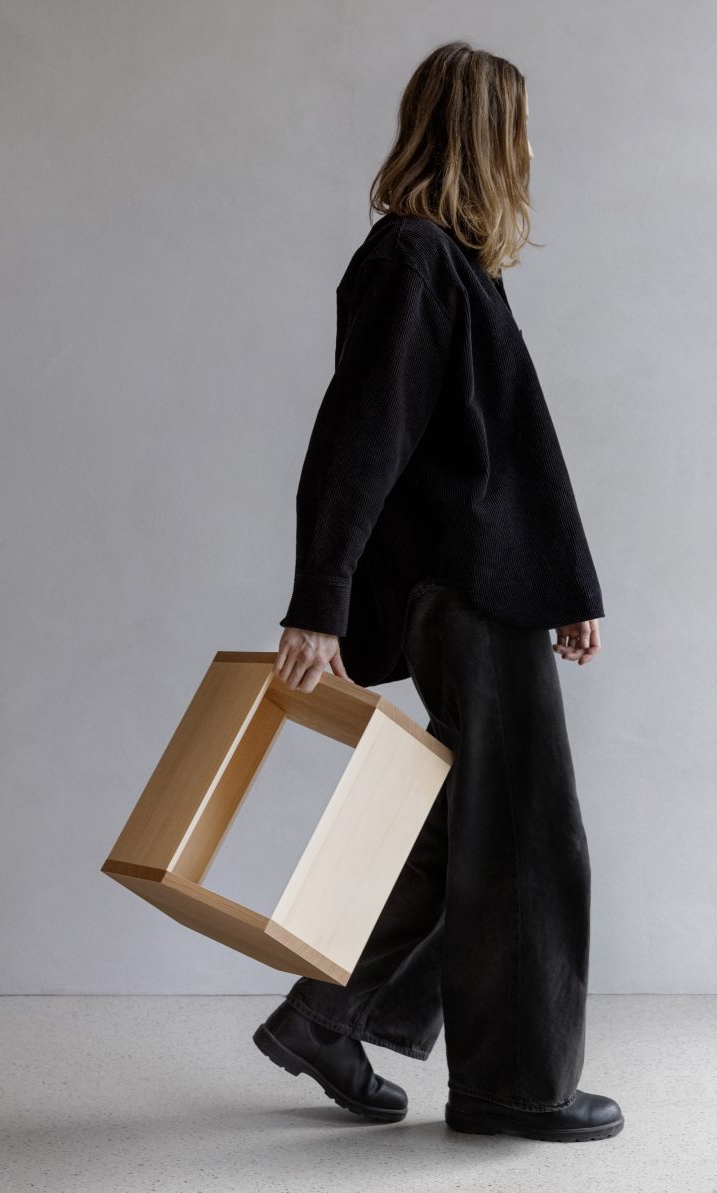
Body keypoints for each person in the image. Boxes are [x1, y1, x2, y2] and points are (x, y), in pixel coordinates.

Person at [253, 41, 624, 1143]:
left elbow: (510, 456)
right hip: (465, 594)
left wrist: (567, 582)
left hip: (485, 587)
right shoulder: (412, 260)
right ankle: (516, 1085)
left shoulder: (456, 268)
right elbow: (360, 440)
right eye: (516, 129)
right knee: (524, 835)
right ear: (489, 136)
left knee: (470, 823)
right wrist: (318, 599)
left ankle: (330, 1011)